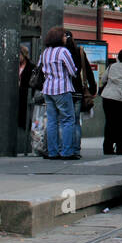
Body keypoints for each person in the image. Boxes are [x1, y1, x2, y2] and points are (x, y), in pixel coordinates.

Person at [40, 27, 79, 160]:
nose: (65, 38)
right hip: (61, 88)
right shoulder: (63, 51)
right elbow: (72, 70)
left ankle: (52, 151)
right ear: (58, 38)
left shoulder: (45, 52)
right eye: (63, 36)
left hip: (48, 89)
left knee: (52, 121)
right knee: (68, 119)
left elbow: (41, 68)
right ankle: (67, 151)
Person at [63, 31, 96, 157]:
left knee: (65, 120)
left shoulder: (61, 52)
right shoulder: (80, 51)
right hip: (77, 90)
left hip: (64, 90)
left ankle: (65, 147)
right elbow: (88, 70)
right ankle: (76, 149)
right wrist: (92, 89)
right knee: (76, 121)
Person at [17, 45, 35, 131]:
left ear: (24, 55)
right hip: (16, 94)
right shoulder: (15, 65)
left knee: (25, 115)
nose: (18, 57)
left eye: (19, 55)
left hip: (25, 93)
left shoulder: (31, 66)